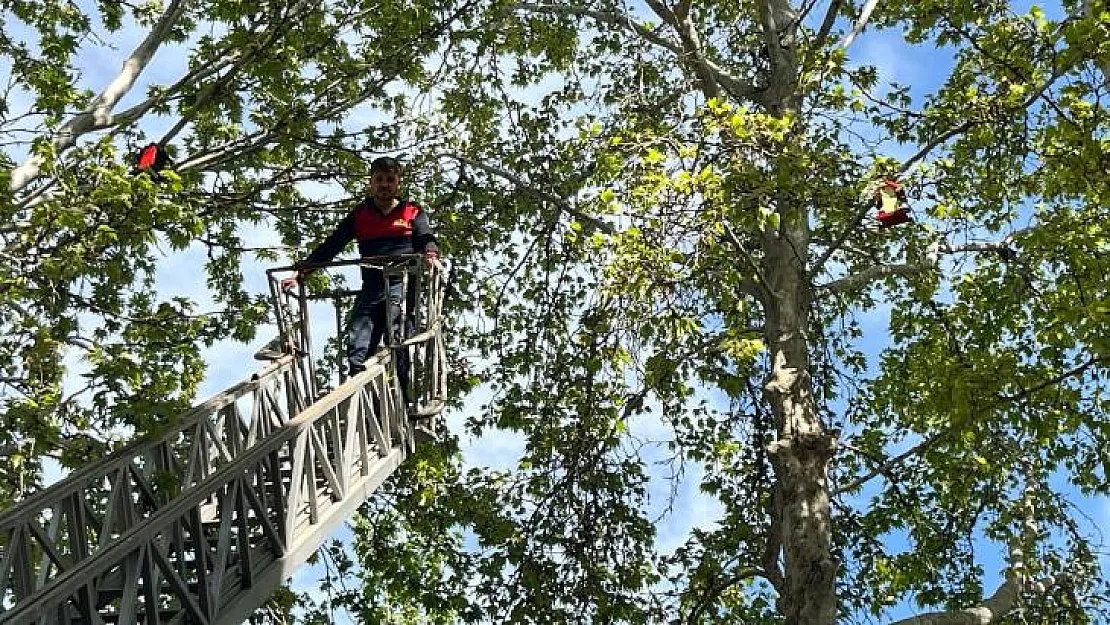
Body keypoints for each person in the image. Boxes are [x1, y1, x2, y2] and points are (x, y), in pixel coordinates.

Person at [283, 156, 439, 377]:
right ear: (371, 182)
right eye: (379, 179)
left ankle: (403, 397)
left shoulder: (412, 211)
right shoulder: (360, 215)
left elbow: (425, 238)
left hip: (402, 282)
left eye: (390, 179)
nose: (384, 185)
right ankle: (360, 385)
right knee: (359, 336)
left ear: (398, 183)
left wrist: (431, 256)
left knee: (398, 332)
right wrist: (300, 274)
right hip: (373, 285)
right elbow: (331, 245)